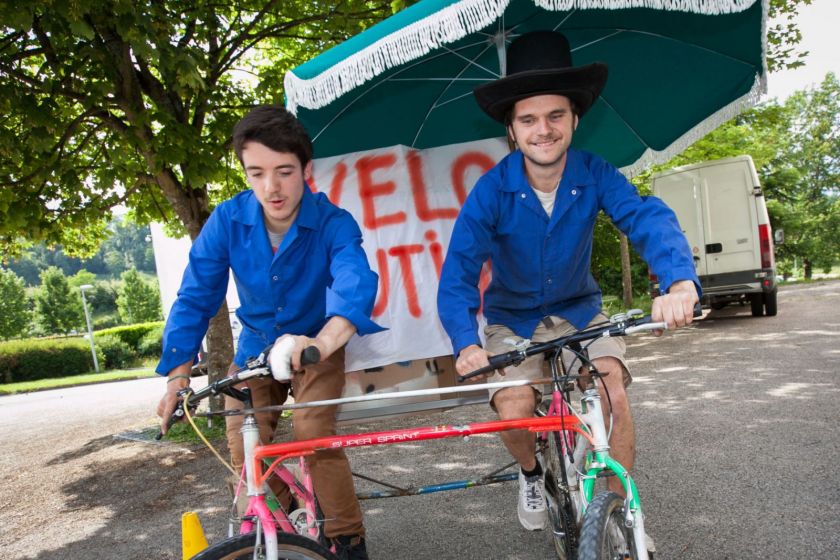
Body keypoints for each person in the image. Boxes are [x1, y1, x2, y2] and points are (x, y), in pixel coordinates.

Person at [436, 31, 700, 537]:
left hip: (581, 312)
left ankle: (621, 515)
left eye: (555, 116)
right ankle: (532, 474)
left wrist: (679, 283)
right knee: (513, 413)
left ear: (575, 119)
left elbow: (647, 218)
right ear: (511, 130)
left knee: (613, 396)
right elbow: (459, 274)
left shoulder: (596, 172)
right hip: (513, 320)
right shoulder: (490, 190)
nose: (544, 130)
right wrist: (466, 343)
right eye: (528, 119)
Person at [156, 105, 382, 560]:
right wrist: (177, 377)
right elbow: (196, 296)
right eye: (255, 173)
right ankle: (293, 514)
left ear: (306, 169)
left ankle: (348, 539)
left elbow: (356, 284)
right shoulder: (226, 220)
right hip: (257, 347)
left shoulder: (334, 221)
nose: (270, 188)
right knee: (244, 445)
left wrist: (319, 344)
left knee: (312, 429)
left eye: (283, 172)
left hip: (318, 345)